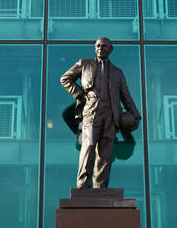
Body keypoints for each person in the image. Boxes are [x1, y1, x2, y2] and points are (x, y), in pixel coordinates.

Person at [59, 37, 140, 189]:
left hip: (110, 113)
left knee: (106, 151)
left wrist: (135, 114)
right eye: (97, 46)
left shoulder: (117, 72)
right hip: (91, 110)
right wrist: (80, 94)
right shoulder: (84, 64)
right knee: (88, 146)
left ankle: (100, 187)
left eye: (104, 46)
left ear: (110, 49)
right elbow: (65, 78)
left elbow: (126, 96)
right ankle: (82, 186)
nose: (100, 48)